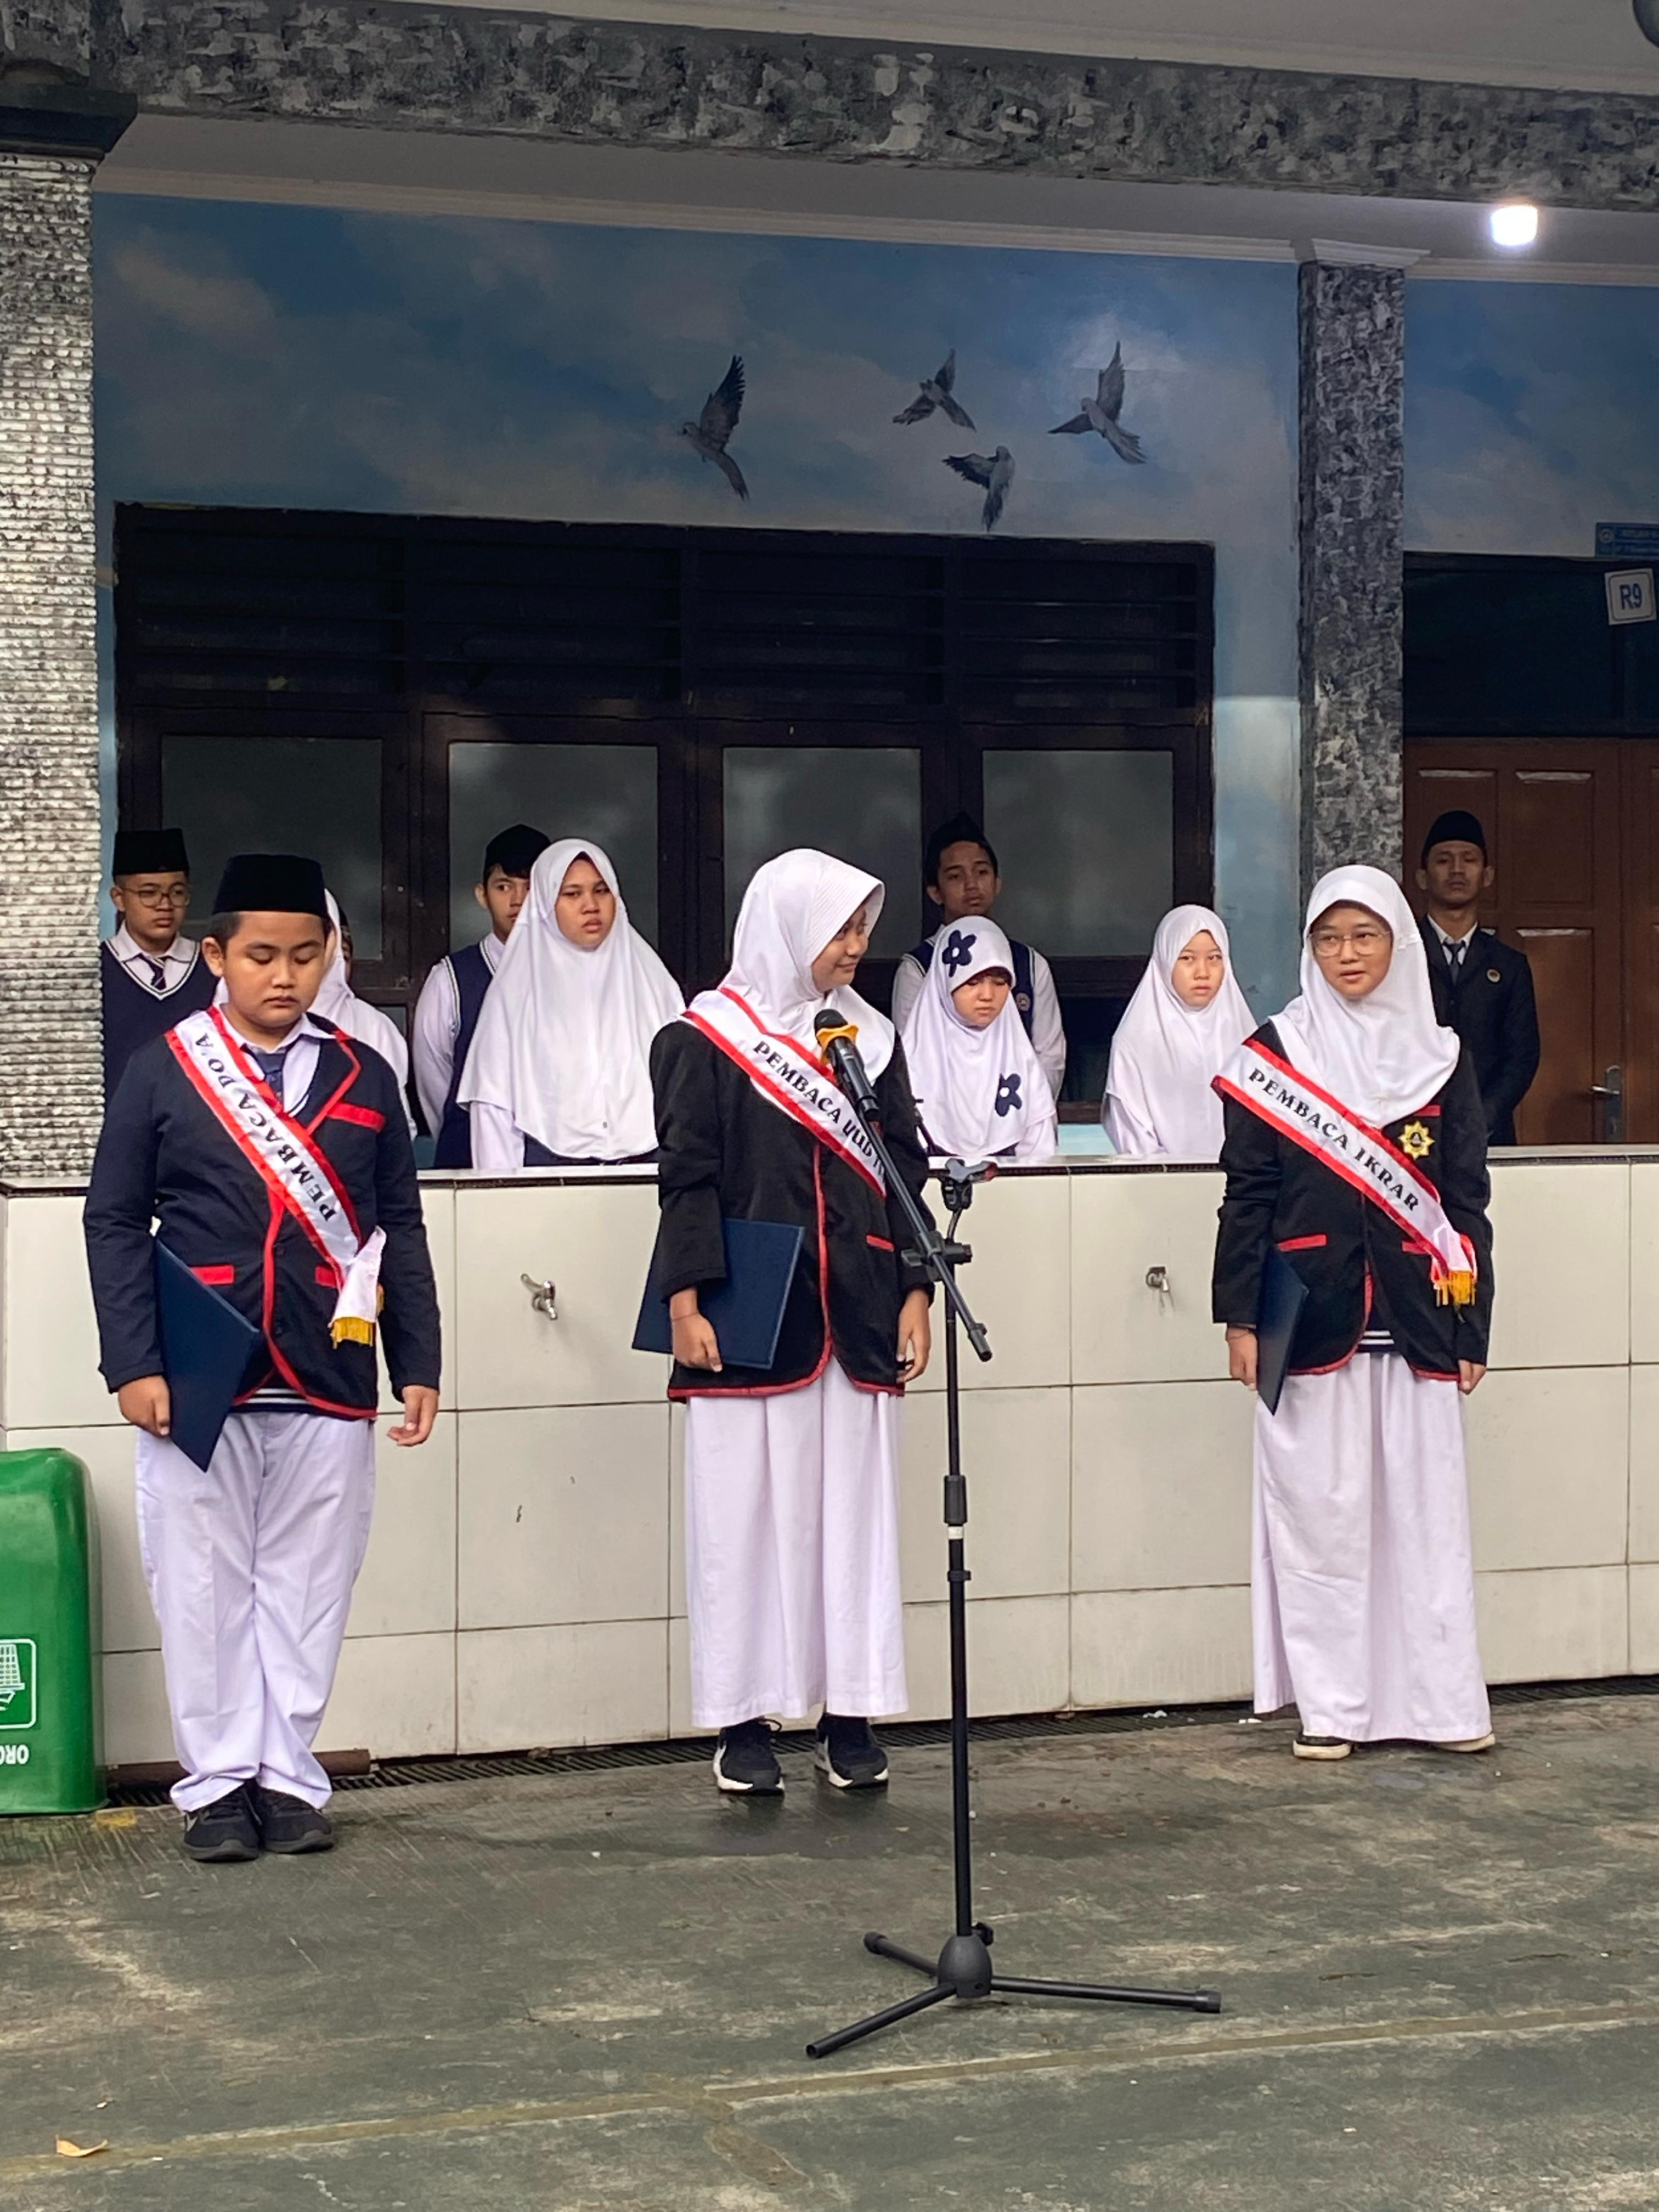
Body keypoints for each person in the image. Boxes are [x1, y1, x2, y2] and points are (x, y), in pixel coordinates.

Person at [83, 854, 442, 1864]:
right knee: (200, 1581)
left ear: (329, 955)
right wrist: (133, 1363)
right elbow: (112, 1219)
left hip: (331, 1364)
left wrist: (419, 1358)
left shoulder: (364, 1072)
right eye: (258, 956)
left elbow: (399, 1228)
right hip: (197, 1370)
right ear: (215, 956)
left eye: (301, 955)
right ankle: (213, 1785)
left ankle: (286, 1774)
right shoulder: (163, 1064)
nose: (281, 975)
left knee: (309, 1579)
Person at [650, 849, 934, 1797]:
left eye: (861, 929)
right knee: (743, 1519)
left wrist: (917, 1288)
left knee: (849, 1522)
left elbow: (903, 1174)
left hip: (854, 1308)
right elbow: (685, 1177)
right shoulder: (702, 1039)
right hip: (746, 1310)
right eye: (837, 931)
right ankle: (742, 1720)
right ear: (785, 926)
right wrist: (685, 1300)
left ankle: (847, 1711)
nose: (853, 949)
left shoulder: (871, 1042)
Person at [1211, 864, 1494, 1764]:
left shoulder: (1441, 1057)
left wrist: (1471, 1324)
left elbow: (1464, 1201)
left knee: (1424, 1522)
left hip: (1416, 1318)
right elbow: (1245, 1196)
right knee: (1319, 1521)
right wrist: (1238, 1317)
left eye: (1363, 935)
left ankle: (1442, 1703)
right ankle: (1330, 1708)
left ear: (1395, 942)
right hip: (1305, 1317)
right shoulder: (1275, 1054)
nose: (1345, 955)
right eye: (1327, 939)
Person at [459, 838, 682, 1170]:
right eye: (572, 894)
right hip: (546, 1176)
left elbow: (684, 1092)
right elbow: (492, 1105)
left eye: (601, 891)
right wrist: (501, 1200)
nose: (590, 906)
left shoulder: (653, 982)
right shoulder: (516, 993)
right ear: (546, 904)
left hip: (649, 1170)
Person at [891, 813, 1065, 1098]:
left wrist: (1024, 1113)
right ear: (935, 892)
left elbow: (1049, 1056)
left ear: (997, 882)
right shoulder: (918, 968)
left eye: (981, 872)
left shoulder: (1030, 965)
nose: (972, 885)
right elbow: (911, 1059)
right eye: (956, 876)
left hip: (1019, 1119)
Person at [412, 822, 550, 1165]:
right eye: (504, 887)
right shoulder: (451, 979)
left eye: (531, 887)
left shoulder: (578, 976)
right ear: (482, 894)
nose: (518, 900)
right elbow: (436, 1089)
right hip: (469, 1169)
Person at [1415, 810, 1541, 1146]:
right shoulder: (1398, 956)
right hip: (1408, 1133)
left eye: (1468, 859)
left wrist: (1483, 1117)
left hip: (1489, 1135)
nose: (1457, 870)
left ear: (1487, 875)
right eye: (1444, 860)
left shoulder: (1509, 965)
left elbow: (1522, 1057)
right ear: (1423, 877)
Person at [1102, 904, 1256, 1160]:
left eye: (1214, 958)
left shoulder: (1248, 1039)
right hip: (1162, 1186)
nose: (1203, 973)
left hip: (1242, 1186)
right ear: (1165, 961)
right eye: (1187, 958)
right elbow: (1132, 1132)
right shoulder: (1136, 1042)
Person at [897, 915, 1057, 1161]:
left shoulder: (1024, 1065)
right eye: (972, 981)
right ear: (945, 982)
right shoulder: (909, 1068)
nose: (987, 995)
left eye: (1000, 982)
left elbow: (1040, 1156)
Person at [101, 827, 217, 1095]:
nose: (164, 905)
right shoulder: (97, 970)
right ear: (119, 899)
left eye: (176, 892)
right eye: (149, 893)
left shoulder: (213, 967)